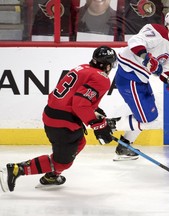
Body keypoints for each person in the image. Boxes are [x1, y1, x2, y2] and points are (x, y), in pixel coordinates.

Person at [0, 46, 117, 192]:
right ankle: (17, 170)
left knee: (80, 142)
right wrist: (98, 125)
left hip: (51, 115)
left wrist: (94, 113)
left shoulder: (81, 68)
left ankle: (52, 177)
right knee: (62, 162)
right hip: (63, 123)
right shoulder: (102, 78)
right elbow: (80, 103)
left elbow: (74, 96)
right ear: (107, 65)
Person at [112, 9, 169, 161]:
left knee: (149, 116)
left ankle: (124, 146)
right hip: (130, 76)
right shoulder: (157, 31)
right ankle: (111, 125)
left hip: (140, 79)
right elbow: (134, 42)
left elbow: (166, 70)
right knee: (148, 119)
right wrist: (146, 58)